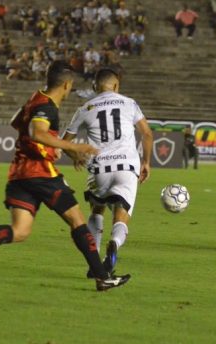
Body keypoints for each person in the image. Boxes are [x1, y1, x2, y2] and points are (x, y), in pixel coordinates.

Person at [0, 61, 131, 292]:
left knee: (20, 231)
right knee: (77, 221)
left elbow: (16, 122)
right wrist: (72, 147)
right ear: (66, 85)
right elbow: (37, 132)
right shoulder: (47, 107)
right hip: (40, 173)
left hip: (19, 173)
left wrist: (55, 146)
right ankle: (101, 276)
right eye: (70, 86)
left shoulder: (34, 99)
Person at [62, 66, 153, 277]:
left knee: (97, 210)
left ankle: (94, 263)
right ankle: (114, 244)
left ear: (95, 86)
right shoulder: (129, 103)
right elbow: (147, 134)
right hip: (126, 167)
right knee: (120, 217)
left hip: (99, 168)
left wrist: (75, 156)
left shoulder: (85, 108)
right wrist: (146, 163)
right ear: (117, 85)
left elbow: (64, 143)